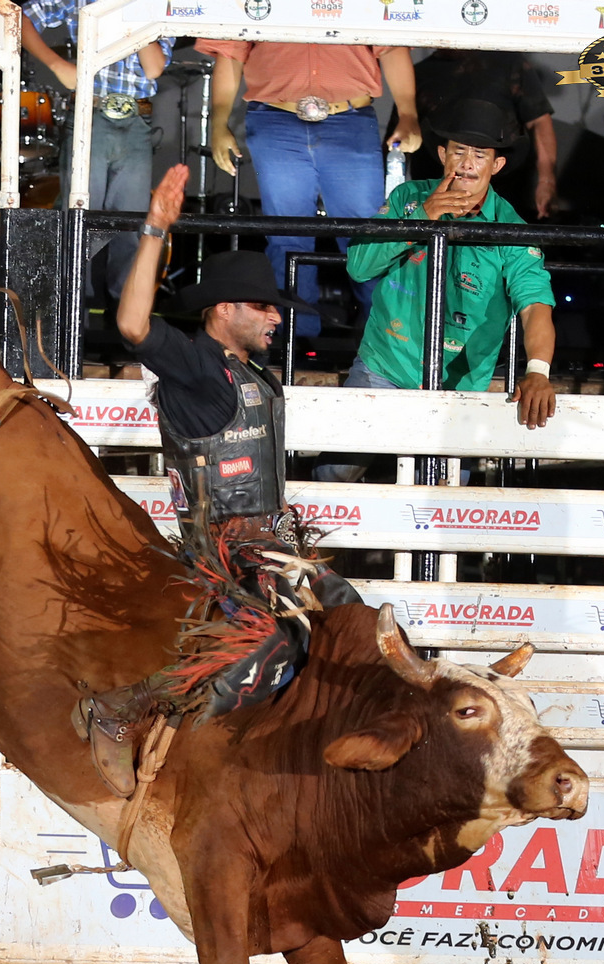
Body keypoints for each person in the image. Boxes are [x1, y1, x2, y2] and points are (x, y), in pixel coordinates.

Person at [73, 163, 359, 797]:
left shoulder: (248, 372)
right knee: (270, 644)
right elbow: (133, 326)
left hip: (271, 548)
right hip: (225, 555)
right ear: (223, 309)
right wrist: (154, 228)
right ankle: (125, 708)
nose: (276, 318)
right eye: (264, 307)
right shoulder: (198, 366)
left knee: (352, 617)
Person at [346, 100, 558, 433]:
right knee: (345, 459)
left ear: (497, 165)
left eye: (480, 155)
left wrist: (537, 372)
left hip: (460, 385)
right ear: (443, 154)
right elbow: (359, 267)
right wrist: (422, 218)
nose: (467, 164)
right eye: (459, 152)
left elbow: (534, 305)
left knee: (447, 468)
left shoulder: (512, 229)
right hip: (384, 365)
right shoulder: (407, 198)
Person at [199, 39, 421, 340]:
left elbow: (392, 46)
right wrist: (218, 121)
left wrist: (408, 113)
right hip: (275, 118)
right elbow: (231, 48)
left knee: (368, 237)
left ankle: (384, 339)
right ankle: (296, 340)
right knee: (287, 238)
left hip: (349, 119)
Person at [20, 0, 173, 300]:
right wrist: (56, 64)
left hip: (137, 121)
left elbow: (154, 67)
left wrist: (135, 11)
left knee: (132, 227)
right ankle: (75, 314)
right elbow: (21, 18)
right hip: (89, 115)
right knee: (79, 222)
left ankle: (123, 316)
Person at [409, 49, 557, 220]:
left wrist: (546, 180)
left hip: (501, 189)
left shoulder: (509, 63)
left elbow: (539, 120)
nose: (467, 164)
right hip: (431, 189)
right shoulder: (418, 73)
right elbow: (398, 137)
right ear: (442, 154)